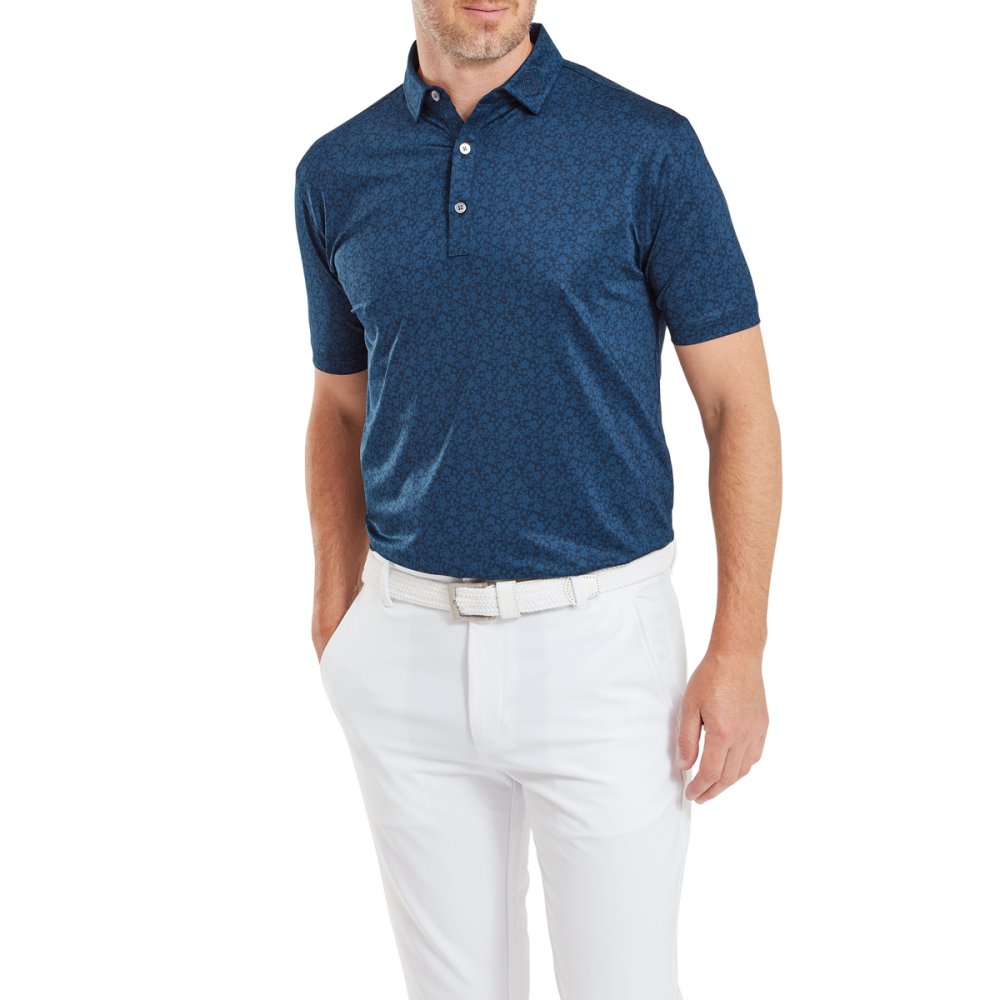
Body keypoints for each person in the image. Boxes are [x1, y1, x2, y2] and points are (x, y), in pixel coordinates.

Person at [294, 3, 783, 997]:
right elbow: (339, 406)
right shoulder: (335, 168)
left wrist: (738, 652)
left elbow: (740, 409)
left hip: (604, 655)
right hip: (406, 651)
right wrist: (335, 608)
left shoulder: (648, 146)